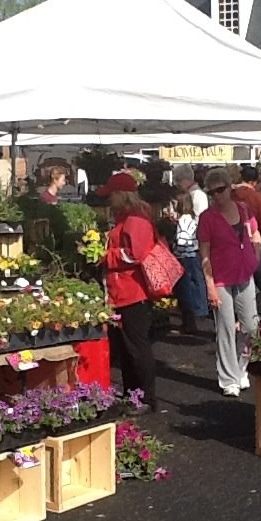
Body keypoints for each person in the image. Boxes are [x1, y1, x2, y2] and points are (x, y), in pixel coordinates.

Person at [197, 167, 261, 397]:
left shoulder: (244, 209)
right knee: (225, 328)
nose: (217, 195)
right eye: (212, 192)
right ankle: (228, 378)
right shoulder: (207, 218)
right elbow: (204, 253)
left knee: (251, 325)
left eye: (220, 190)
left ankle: (240, 366)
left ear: (229, 188)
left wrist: (255, 258)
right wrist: (210, 285)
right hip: (221, 278)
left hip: (244, 274)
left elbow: (255, 235)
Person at [98, 172, 158, 411]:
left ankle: (145, 398)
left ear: (121, 195)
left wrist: (106, 256)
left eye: (111, 194)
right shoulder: (126, 217)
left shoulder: (136, 219)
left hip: (133, 292)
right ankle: (132, 394)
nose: (108, 200)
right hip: (122, 291)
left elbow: (136, 254)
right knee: (126, 350)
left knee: (137, 348)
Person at [231, 165, 261, 315]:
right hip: (252, 248)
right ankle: (251, 314)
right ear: (255, 182)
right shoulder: (257, 198)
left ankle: (236, 315)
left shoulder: (229, 195)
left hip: (229, 248)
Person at [171, 192, 208, 334]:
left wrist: (175, 246)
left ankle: (190, 320)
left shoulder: (183, 220)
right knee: (195, 284)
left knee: (185, 289)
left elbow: (183, 240)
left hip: (185, 257)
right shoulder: (193, 218)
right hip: (194, 255)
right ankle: (197, 312)